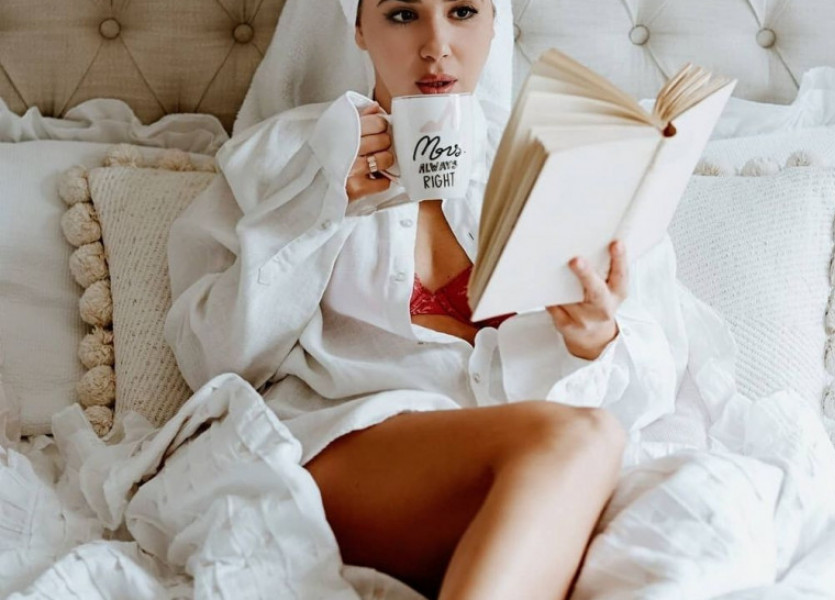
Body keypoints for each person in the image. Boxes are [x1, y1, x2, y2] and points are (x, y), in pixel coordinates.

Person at [164, 0, 681, 597]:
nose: (437, 46)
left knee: (654, 499)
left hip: (518, 469)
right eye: (403, 14)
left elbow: (659, 390)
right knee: (584, 438)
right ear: (359, 28)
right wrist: (320, 207)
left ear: (495, 24)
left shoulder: (562, 167)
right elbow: (215, 360)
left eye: (462, 11)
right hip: (340, 453)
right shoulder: (285, 155)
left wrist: (593, 340)